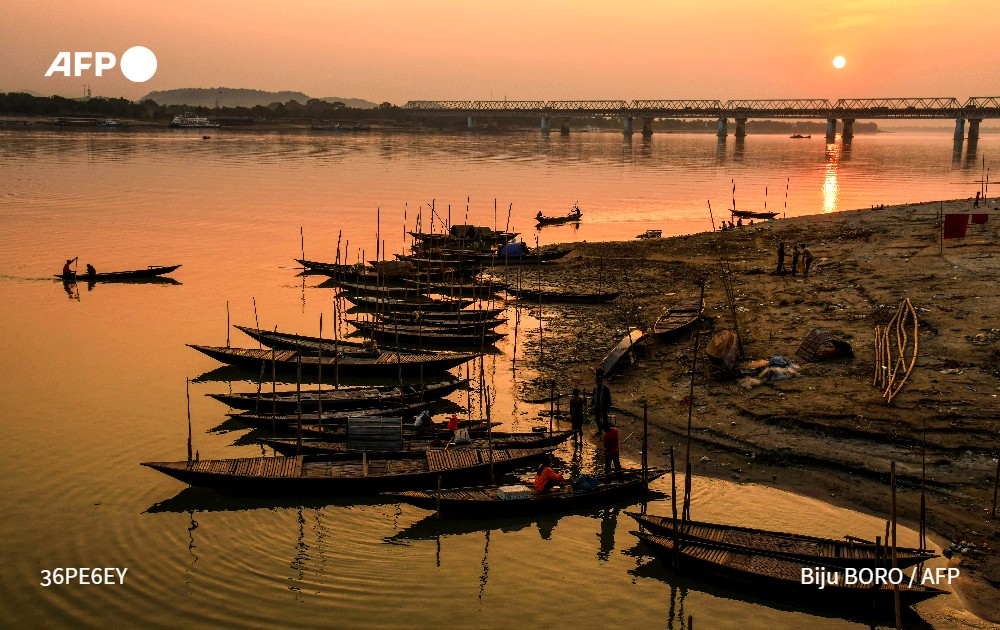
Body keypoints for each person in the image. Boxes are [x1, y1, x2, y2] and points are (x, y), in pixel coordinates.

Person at [591, 369, 612, 434]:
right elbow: (594, 398)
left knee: (605, 419)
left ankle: (606, 430)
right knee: (597, 419)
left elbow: (608, 398)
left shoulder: (605, 389)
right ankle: (600, 430)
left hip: (603, 406)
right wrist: (592, 404)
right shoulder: (595, 390)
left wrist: (608, 407)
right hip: (597, 406)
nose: (598, 383)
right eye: (597, 382)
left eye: (599, 382)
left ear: (601, 382)